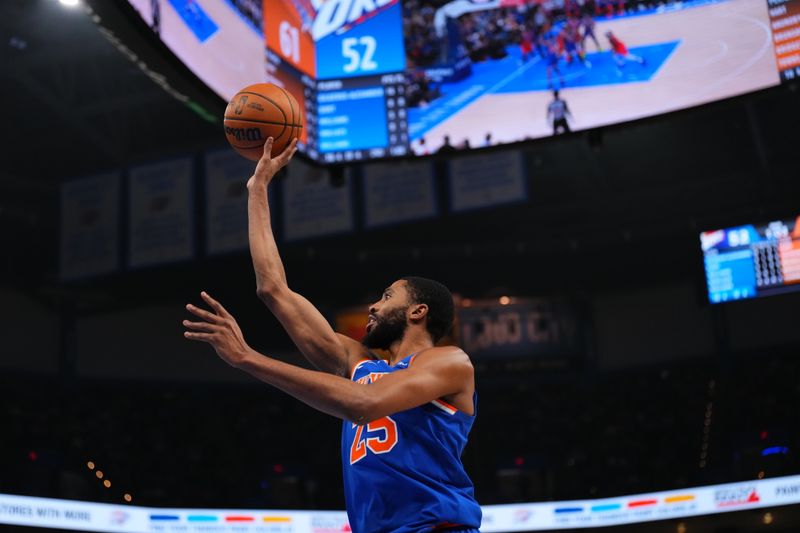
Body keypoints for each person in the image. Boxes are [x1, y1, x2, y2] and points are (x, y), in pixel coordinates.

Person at [183, 137, 482, 533]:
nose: (374, 306)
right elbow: (273, 289)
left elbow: (365, 403)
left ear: (418, 311)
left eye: (387, 296)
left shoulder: (450, 363)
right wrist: (257, 192)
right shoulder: (358, 362)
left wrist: (248, 358)